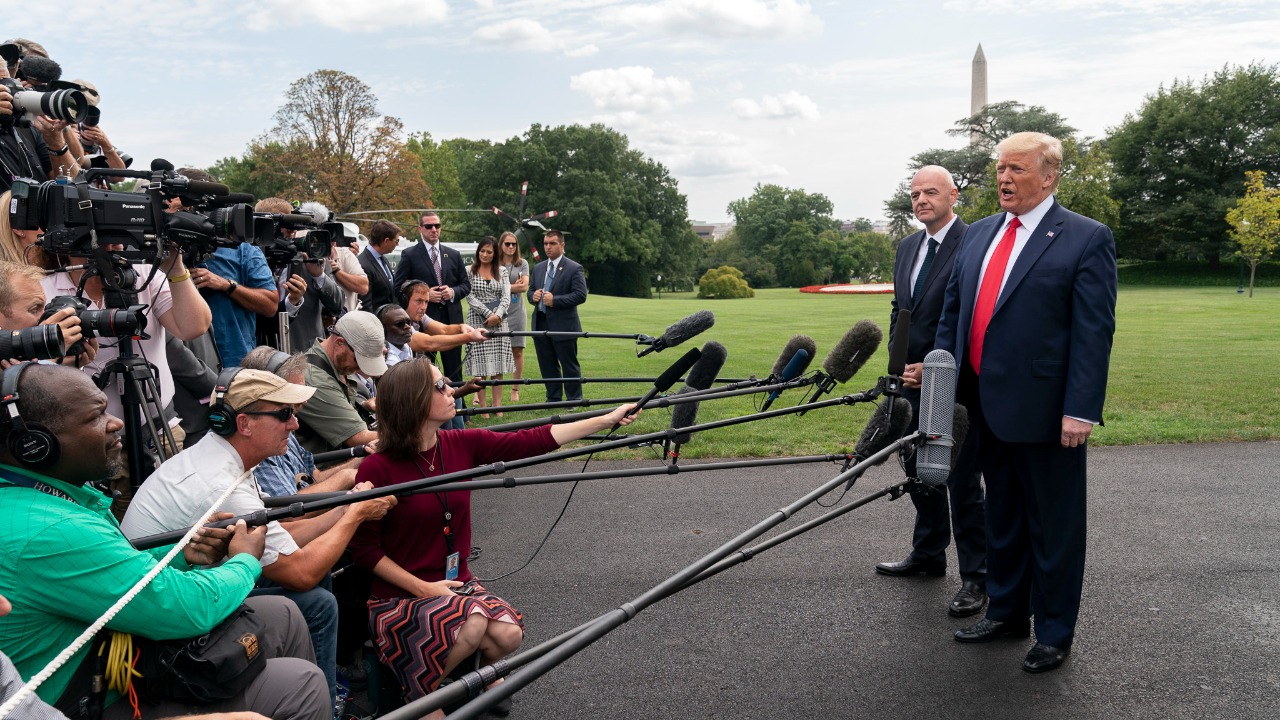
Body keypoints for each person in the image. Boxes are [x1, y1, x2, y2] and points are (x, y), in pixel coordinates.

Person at [0, 362, 329, 720]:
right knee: (302, 683)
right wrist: (245, 562)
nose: (116, 422)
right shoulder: (50, 529)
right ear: (35, 444)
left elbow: (119, 572)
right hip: (88, 696)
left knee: (286, 612)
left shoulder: (45, 500)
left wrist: (181, 555)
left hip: (115, 655)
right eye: (95, 417)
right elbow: (188, 609)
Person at [347, 357, 639, 713]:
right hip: (400, 597)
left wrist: (606, 420)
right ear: (414, 401)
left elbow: (533, 440)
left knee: (508, 633)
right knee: (471, 624)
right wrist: (424, 588)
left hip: (456, 584)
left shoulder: (459, 443)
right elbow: (363, 550)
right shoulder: (378, 467)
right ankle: (418, 694)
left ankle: (446, 675)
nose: (451, 389)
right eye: (439, 386)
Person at [935, 132, 1118, 673]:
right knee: (1004, 517)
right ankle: (1007, 613)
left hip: (1046, 411)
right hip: (983, 405)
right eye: (1000, 169)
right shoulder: (980, 234)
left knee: (1054, 526)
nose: (1004, 179)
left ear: (1050, 175)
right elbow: (954, 310)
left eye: (1016, 169)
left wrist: (1080, 409)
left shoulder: (1085, 238)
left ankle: (1054, 632)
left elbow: (1093, 333)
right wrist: (941, 369)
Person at [121, 368, 397, 705]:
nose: (295, 425)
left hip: (180, 593)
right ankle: (320, 704)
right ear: (244, 424)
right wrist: (354, 514)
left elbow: (280, 537)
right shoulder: (221, 483)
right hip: (163, 633)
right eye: (284, 415)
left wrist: (342, 509)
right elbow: (300, 572)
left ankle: (309, 686)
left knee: (318, 575)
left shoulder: (222, 457)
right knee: (318, 603)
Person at [876, 166, 987, 619]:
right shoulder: (907, 247)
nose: (921, 199)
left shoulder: (974, 242)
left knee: (959, 477)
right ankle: (928, 554)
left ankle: (977, 578)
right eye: (915, 193)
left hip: (955, 382)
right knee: (917, 468)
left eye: (931, 192)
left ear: (953, 196)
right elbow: (901, 310)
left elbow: (975, 316)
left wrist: (941, 367)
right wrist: (895, 362)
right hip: (908, 381)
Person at [240, 347, 364, 497]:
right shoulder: (258, 440)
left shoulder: (285, 426)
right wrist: (347, 476)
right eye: (295, 394)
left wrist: (363, 459)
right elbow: (288, 512)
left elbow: (314, 478)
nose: (304, 401)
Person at [295, 310, 388, 453]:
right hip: (322, 469)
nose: (360, 369)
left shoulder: (340, 365)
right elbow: (358, 437)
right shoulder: (314, 379)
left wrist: (363, 405)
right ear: (339, 343)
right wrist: (412, 436)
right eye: (359, 360)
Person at [392, 212, 470, 382]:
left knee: (454, 372)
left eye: (437, 226)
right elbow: (398, 288)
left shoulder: (454, 255)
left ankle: (458, 406)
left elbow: (466, 285)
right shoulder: (410, 254)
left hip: (451, 319)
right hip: (423, 323)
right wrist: (425, 295)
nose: (434, 230)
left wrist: (453, 292)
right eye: (429, 226)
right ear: (420, 228)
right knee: (426, 373)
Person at [527, 229, 587, 401]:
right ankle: (553, 398)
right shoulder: (539, 268)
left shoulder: (574, 268)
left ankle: (574, 399)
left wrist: (555, 300)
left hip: (564, 326)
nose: (548, 247)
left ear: (562, 245)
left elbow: (580, 295)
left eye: (552, 243)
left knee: (569, 364)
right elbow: (530, 291)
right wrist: (533, 296)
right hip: (540, 323)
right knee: (547, 365)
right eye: (545, 243)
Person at [464, 236, 514, 417]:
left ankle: (497, 405)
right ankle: (483, 406)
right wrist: (488, 314)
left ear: (495, 254)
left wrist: (498, 315)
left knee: (498, 367)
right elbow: (468, 296)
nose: (484, 255)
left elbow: (507, 296)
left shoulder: (502, 271)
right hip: (477, 321)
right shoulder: (469, 270)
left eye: (489, 252)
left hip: (500, 322)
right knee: (480, 366)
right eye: (482, 251)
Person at [498, 231, 530, 403]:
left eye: (514, 244)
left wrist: (504, 287)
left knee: (517, 351)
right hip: (497, 312)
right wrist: (511, 286)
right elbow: (491, 286)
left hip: (517, 312)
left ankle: (515, 389)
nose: (511, 247)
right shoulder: (493, 263)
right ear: (501, 245)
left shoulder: (522, 263)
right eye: (507, 244)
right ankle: (480, 392)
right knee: (494, 352)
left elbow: (524, 286)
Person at [358, 220, 401, 312]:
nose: (397, 245)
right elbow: (366, 304)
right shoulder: (363, 264)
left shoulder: (383, 259)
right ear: (386, 241)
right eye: (396, 241)